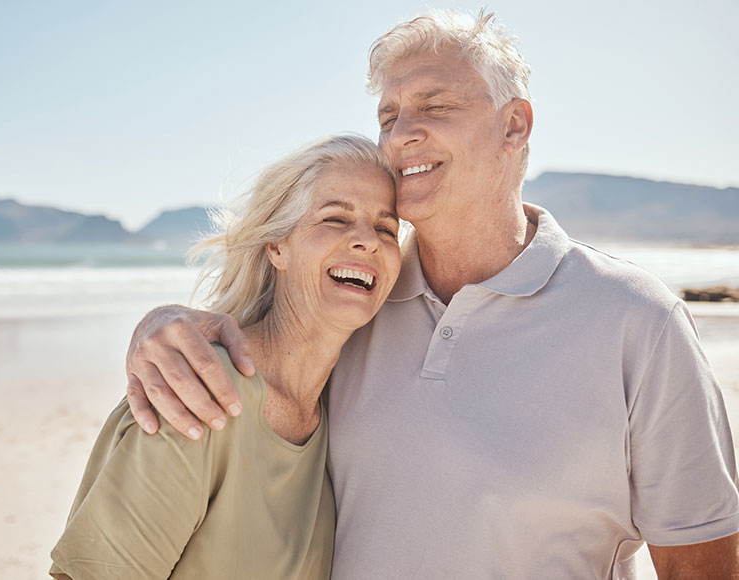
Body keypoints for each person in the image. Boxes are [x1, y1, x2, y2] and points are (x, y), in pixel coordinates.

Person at [124, 9, 739, 579]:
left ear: (514, 125)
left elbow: (704, 567)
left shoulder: (640, 321)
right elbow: (256, 353)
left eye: (433, 106)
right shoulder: (353, 303)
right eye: (388, 117)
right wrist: (163, 323)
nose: (399, 137)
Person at [49, 134, 402, 579]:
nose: (367, 241)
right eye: (335, 218)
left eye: (386, 228)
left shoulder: (347, 408)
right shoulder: (196, 390)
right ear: (277, 247)